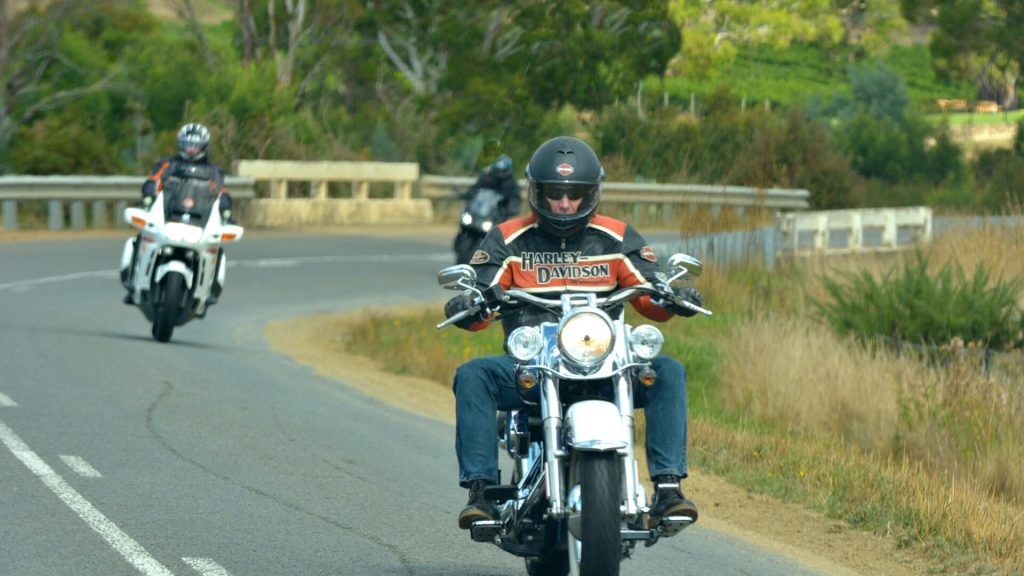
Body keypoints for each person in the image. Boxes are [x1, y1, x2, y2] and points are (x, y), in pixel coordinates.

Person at [443, 136, 702, 530]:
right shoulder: (507, 238)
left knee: (666, 370)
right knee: (473, 375)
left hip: (607, 365)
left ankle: (668, 489)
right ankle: (482, 493)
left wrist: (673, 296)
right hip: (530, 368)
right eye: (554, 193)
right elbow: (480, 300)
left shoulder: (617, 237)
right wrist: (470, 303)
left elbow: (651, 296)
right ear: (536, 192)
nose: (564, 204)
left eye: (575, 194)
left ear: (592, 193)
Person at [123, 123, 232, 304]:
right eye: (188, 144)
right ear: (180, 144)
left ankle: (210, 289)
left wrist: (226, 208)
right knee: (140, 238)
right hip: (169, 216)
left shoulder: (214, 171)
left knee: (217, 248)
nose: (191, 149)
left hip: (199, 221)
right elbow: (153, 180)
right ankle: (134, 281)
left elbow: (223, 192)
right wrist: (149, 194)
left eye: (195, 145)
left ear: (204, 146)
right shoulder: (168, 163)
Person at [464, 154, 521, 222]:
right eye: (498, 170)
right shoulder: (486, 177)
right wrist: (468, 194)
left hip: (498, 215)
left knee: (502, 227)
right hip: (480, 211)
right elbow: (475, 188)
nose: (500, 173)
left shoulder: (511, 183)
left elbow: (515, 198)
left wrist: (512, 208)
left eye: (502, 171)